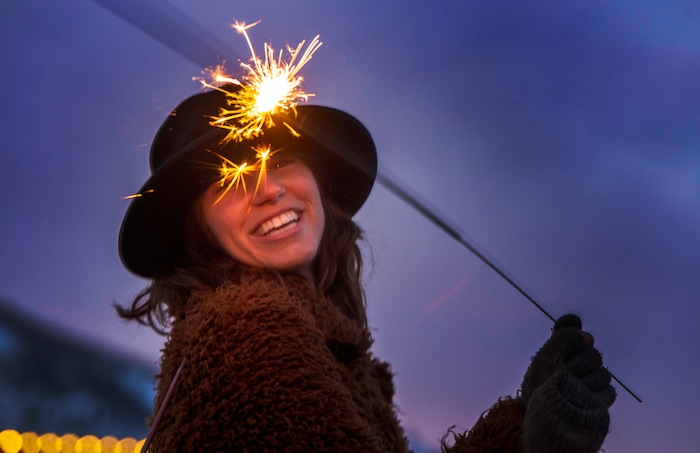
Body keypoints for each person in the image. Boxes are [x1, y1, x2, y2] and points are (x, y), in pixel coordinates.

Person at [117, 84, 616, 452]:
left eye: (282, 158)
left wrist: (525, 422)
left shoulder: (310, 338)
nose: (268, 189)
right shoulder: (244, 332)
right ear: (195, 229)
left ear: (318, 179)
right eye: (231, 180)